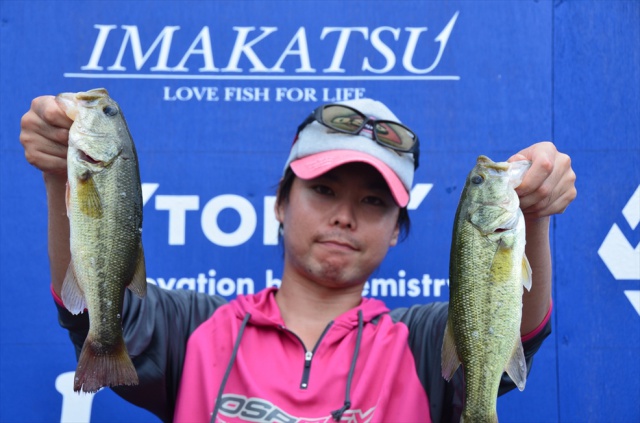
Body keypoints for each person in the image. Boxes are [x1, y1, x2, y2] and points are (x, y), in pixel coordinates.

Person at [20, 96, 576, 423]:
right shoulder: (193, 331)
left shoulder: (423, 341)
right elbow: (97, 311)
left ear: (396, 231)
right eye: (324, 190)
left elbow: (510, 333)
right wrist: (61, 174)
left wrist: (533, 216)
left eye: (374, 201)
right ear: (282, 204)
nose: (345, 216)